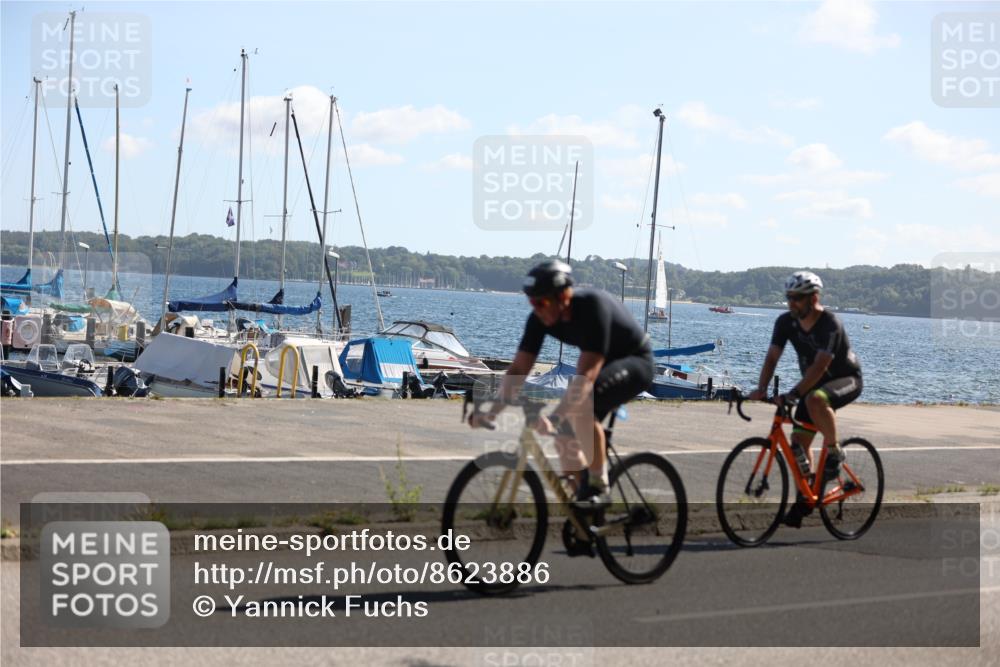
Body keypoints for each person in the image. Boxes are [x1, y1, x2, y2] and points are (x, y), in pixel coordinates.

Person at [468, 260, 655, 509]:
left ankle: (600, 487)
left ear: (563, 296)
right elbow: (519, 370)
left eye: (542, 302)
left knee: (580, 407)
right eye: (532, 303)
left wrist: (554, 418)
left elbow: (586, 377)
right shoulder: (538, 319)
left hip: (634, 362)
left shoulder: (591, 307)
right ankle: (583, 501)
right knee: (563, 434)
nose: (537, 309)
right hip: (601, 364)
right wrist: (491, 412)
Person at [749, 270, 863, 527]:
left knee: (814, 400)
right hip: (813, 387)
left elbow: (820, 367)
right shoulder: (785, 322)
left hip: (846, 380)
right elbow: (772, 357)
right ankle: (807, 496)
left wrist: (794, 394)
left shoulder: (830, 324)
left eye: (797, 298)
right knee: (798, 442)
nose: (791, 303)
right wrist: (761, 388)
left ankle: (834, 453)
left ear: (813, 298)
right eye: (789, 297)